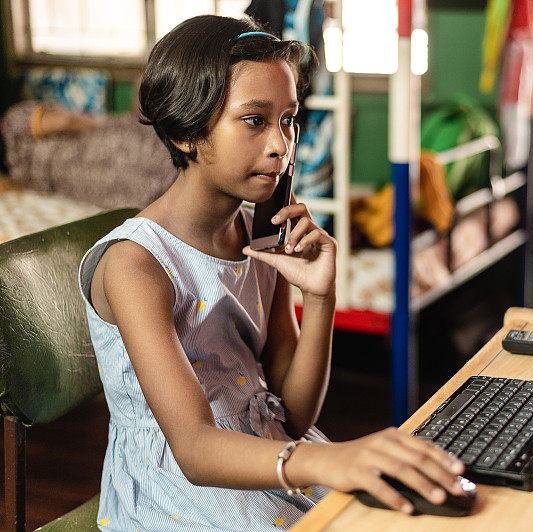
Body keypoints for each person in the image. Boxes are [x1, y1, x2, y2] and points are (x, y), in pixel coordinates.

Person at [76, 15, 465, 531]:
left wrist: (322, 297)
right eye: (255, 120)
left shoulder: (257, 238)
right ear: (187, 131)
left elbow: (295, 416)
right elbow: (193, 447)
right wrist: (330, 459)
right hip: (179, 489)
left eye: (288, 119)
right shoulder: (136, 264)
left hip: (268, 454)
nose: (282, 145)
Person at [0, 97, 177, 208]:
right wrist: (102, 123)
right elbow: (64, 121)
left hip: (83, 182)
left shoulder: (13, 175)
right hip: (95, 147)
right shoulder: (13, 122)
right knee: (159, 154)